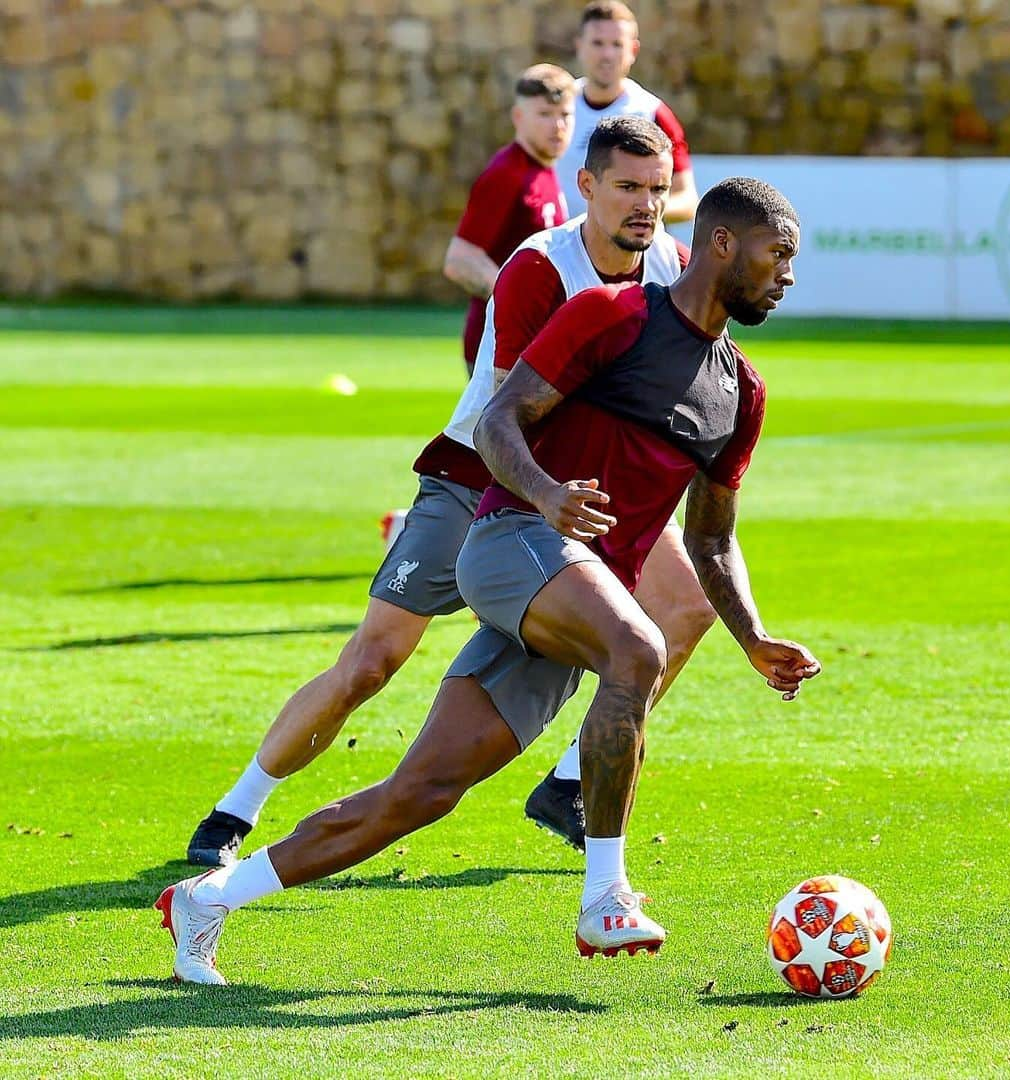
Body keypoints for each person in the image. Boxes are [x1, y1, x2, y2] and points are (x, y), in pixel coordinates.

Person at [157, 176, 821, 984]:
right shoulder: (611, 314)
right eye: (778, 253)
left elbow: (712, 540)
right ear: (723, 242)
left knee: (421, 793)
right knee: (639, 649)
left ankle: (209, 899)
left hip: (577, 594)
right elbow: (500, 418)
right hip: (511, 541)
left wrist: (752, 638)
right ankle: (605, 897)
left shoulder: (741, 390)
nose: (787, 274)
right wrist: (545, 495)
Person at [184, 117, 711, 869]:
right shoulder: (540, 268)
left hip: (585, 493)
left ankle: (567, 783)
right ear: (586, 188)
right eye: (627, 187)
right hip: (484, 477)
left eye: (658, 190)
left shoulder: (671, 266)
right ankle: (239, 804)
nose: (645, 204)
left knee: (687, 609)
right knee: (372, 662)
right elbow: (509, 415)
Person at [442, 64, 575, 376]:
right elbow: (460, 261)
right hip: (499, 350)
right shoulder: (506, 174)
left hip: (532, 347)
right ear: (519, 117)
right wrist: (520, 301)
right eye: (544, 114)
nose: (557, 125)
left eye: (565, 115)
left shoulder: (543, 170)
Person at [556, 2, 698, 223]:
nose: (607, 54)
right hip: (561, 250)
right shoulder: (556, 105)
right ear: (579, 46)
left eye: (616, 44)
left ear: (633, 50)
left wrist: (630, 211)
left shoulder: (652, 113)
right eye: (597, 43)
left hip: (630, 253)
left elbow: (687, 200)